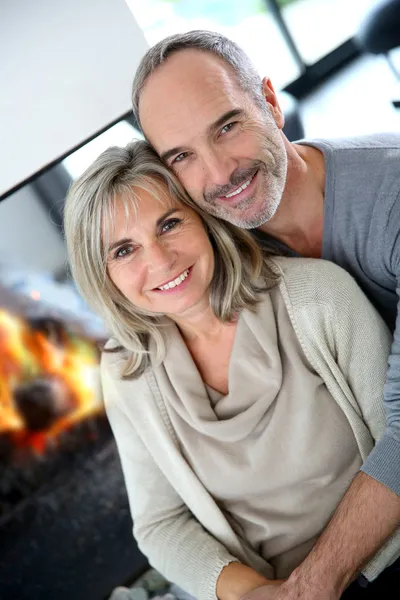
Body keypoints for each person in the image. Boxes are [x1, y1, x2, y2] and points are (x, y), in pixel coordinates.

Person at [64, 141, 399, 600]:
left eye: (169, 223)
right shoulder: (127, 372)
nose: (160, 260)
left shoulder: (319, 297)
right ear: (101, 275)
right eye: (124, 250)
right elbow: (160, 524)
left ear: (202, 219)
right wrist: (253, 593)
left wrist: (316, 583)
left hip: (381, 563)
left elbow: (398, 449)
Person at [130, 30, 400, 598]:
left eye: (227, 126)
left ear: (271, 102)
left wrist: (313, 584)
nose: (220, 172)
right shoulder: (222, 249)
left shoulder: (391, 196)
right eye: (182, 156)